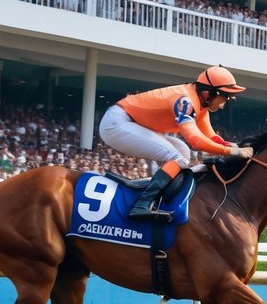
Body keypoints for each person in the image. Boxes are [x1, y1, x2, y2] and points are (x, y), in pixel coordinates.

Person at [98, 65, 253, 221]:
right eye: (225, 96)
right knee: (177, 157)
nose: (226, 102)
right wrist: (232, 152)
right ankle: (142, 204)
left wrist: (229, 145)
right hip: (117, 123)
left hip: (132, 122)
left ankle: (154, 194)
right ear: (210, 93)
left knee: (183, 152)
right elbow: (196, 141)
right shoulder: (185, 100)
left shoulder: (201, 103)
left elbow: (210, 136)